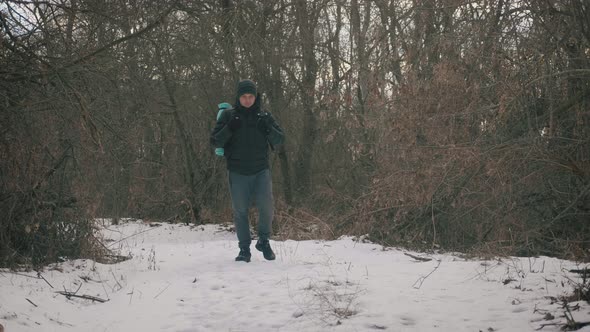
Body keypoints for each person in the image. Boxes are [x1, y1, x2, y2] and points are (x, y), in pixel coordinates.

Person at [210, 79, 285, 262]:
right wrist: (229, 128)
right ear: (238, 97)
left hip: (261, 170)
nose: (247, 100)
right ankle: (244, 249)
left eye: (251, 96)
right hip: (237, 170)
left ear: (255, 97)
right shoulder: (228, 115)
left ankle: (264, 241)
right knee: (240, 210)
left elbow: (279, 139)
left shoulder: (264, 115)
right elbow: (215, 141)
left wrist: (267, 128)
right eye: (244, 96)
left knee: (267, 207)